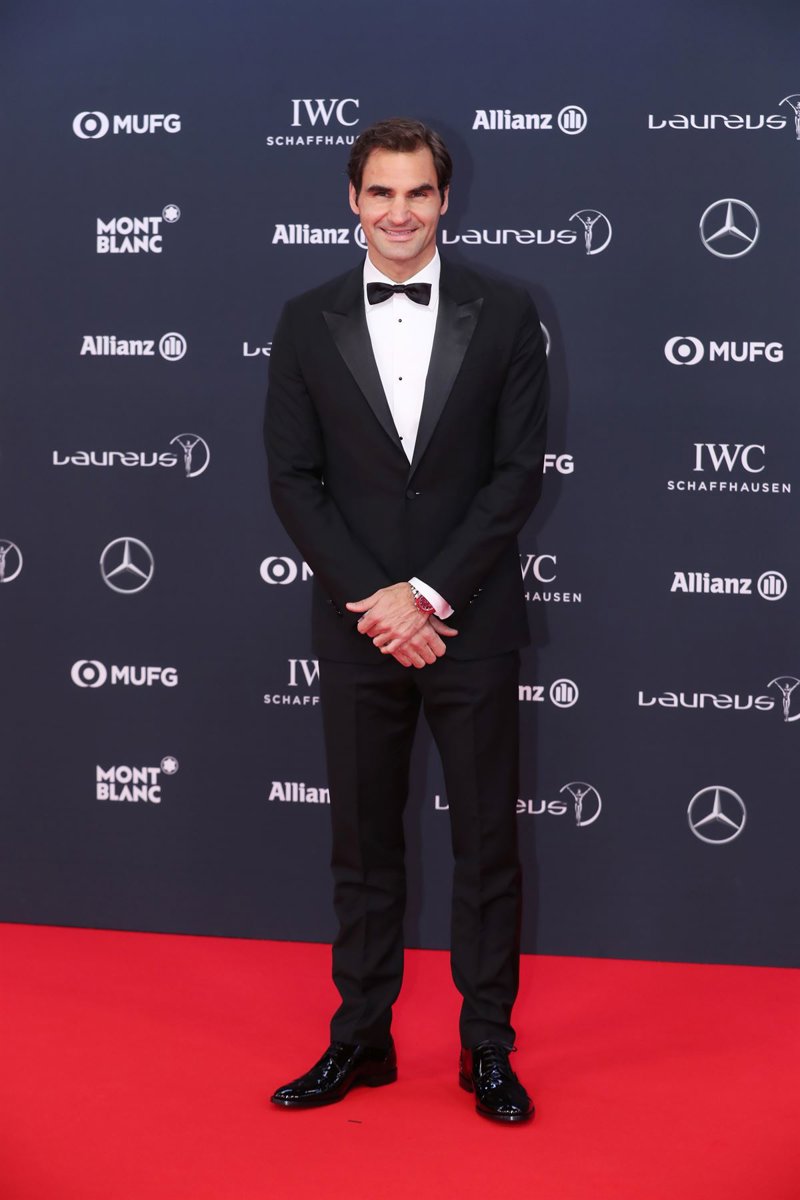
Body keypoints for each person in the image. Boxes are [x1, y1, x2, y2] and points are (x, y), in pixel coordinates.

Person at [265, 117, 547, 1122]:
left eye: (416, 192)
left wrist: (427, 595)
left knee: (487, 846)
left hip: (471, 620)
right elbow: (293, 480)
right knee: (362, 847)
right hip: (356, 628)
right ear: (352, 200)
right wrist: (380, 603)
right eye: (380, 192)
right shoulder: (304, 319)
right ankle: (361, 1038)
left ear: (443, 199)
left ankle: (486, 1046)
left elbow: (515, 475)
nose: (398, 212)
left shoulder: (506, 311)